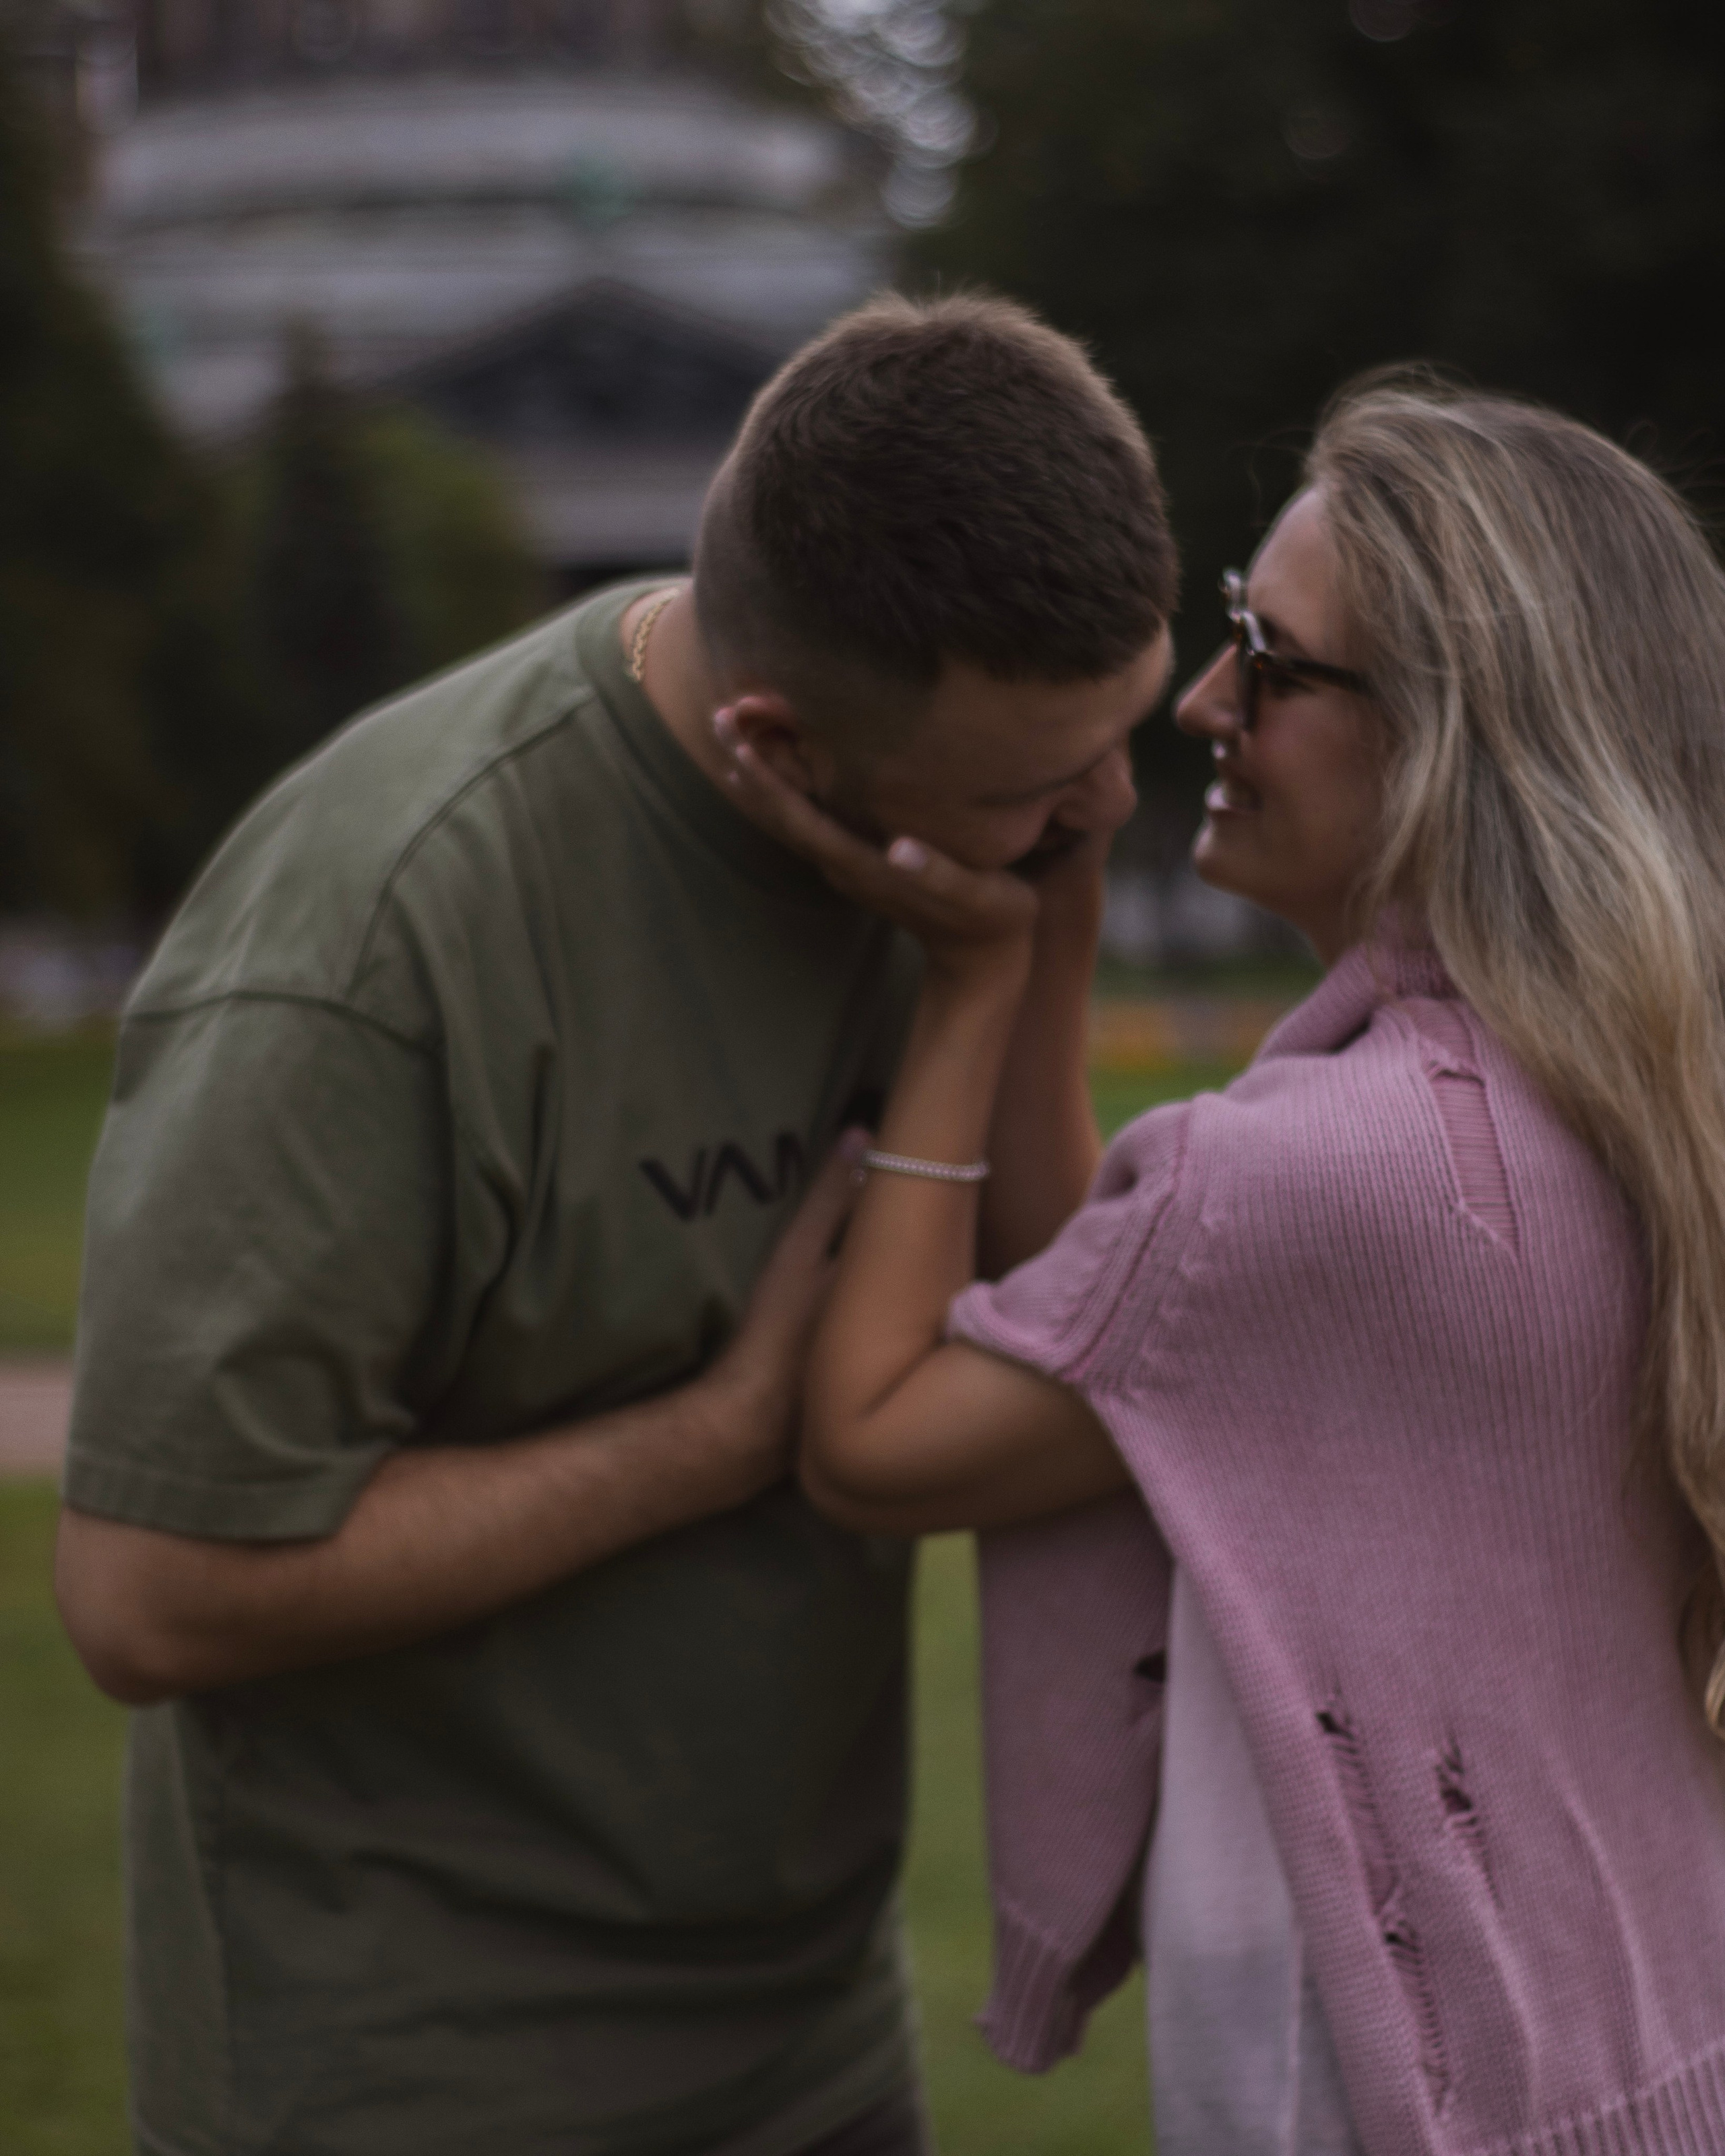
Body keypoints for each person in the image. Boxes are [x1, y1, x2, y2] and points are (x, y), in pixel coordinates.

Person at [52, 292, 1179, 2156]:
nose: (1111, 808)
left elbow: (1050, 1337)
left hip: (814, 2039)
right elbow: (146, 1592)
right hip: (413, 2077)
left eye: (1114, 745)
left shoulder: (967, 859)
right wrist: (712, 1440)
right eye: (1036, 792)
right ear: (777, 742)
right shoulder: (382, 938)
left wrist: (1027, 929)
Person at [724, 374, 1725, 2155]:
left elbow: (870, 1439)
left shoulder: (1328, 1185)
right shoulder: (1623, 1092)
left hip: (1400, 2100)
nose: (1201, 700)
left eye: (1268, 657)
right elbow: (1122, 1337)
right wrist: (1062, 930)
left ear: (1451, 738)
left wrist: (963, 998)